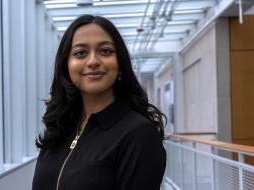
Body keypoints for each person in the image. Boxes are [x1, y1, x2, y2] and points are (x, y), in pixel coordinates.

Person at [32, 14, 166, 190]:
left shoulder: (139, 133)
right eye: (80, 53)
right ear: (66, 65)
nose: (93, 61)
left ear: (120, 63)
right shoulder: (60, 127)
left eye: (106, 51)